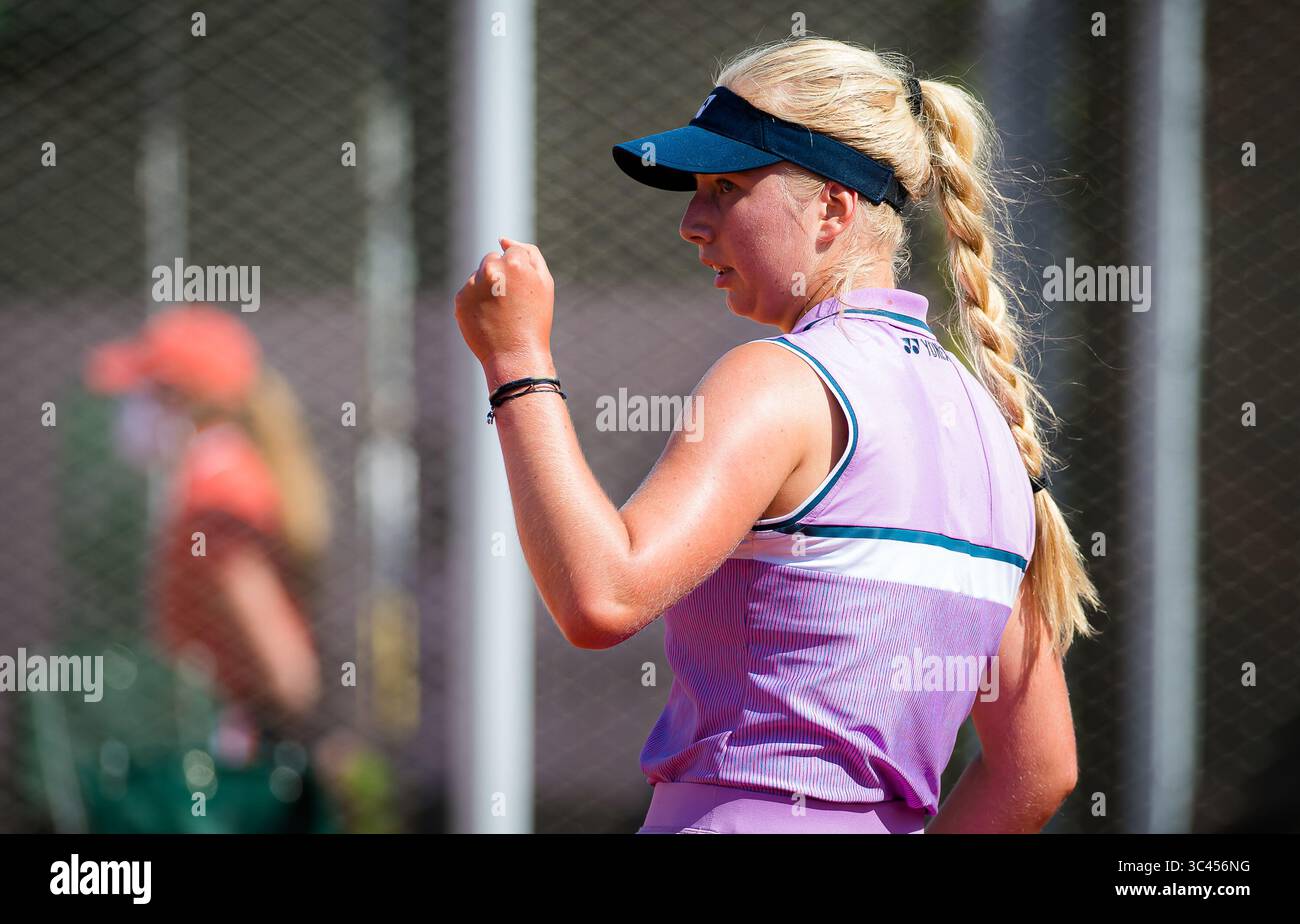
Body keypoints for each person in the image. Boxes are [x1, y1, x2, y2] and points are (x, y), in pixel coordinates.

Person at [454, 36, 1101, 834]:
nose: (693, 222)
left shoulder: (779, 379)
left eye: (726, 188)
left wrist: (516, 359)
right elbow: (1038, 770)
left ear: (832, 207)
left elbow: (603, 596)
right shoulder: (992, 430)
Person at [85, 305, 329, 763]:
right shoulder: (219, 474)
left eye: (143, 393)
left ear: (184, 400)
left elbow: (286, 668)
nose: (127, 411)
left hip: (238, 750)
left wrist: (282, 733)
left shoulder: (215, 494)